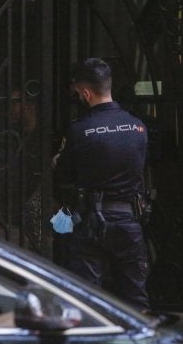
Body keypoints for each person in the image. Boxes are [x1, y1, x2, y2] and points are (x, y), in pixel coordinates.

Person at [54, 58, 150, 309]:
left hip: (92, 221)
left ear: (86, 92)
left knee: (87, 300)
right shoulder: (138, 127)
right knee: (135, 299)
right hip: (129, 220)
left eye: (77, 93)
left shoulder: (79, 130)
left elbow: (63, 177)